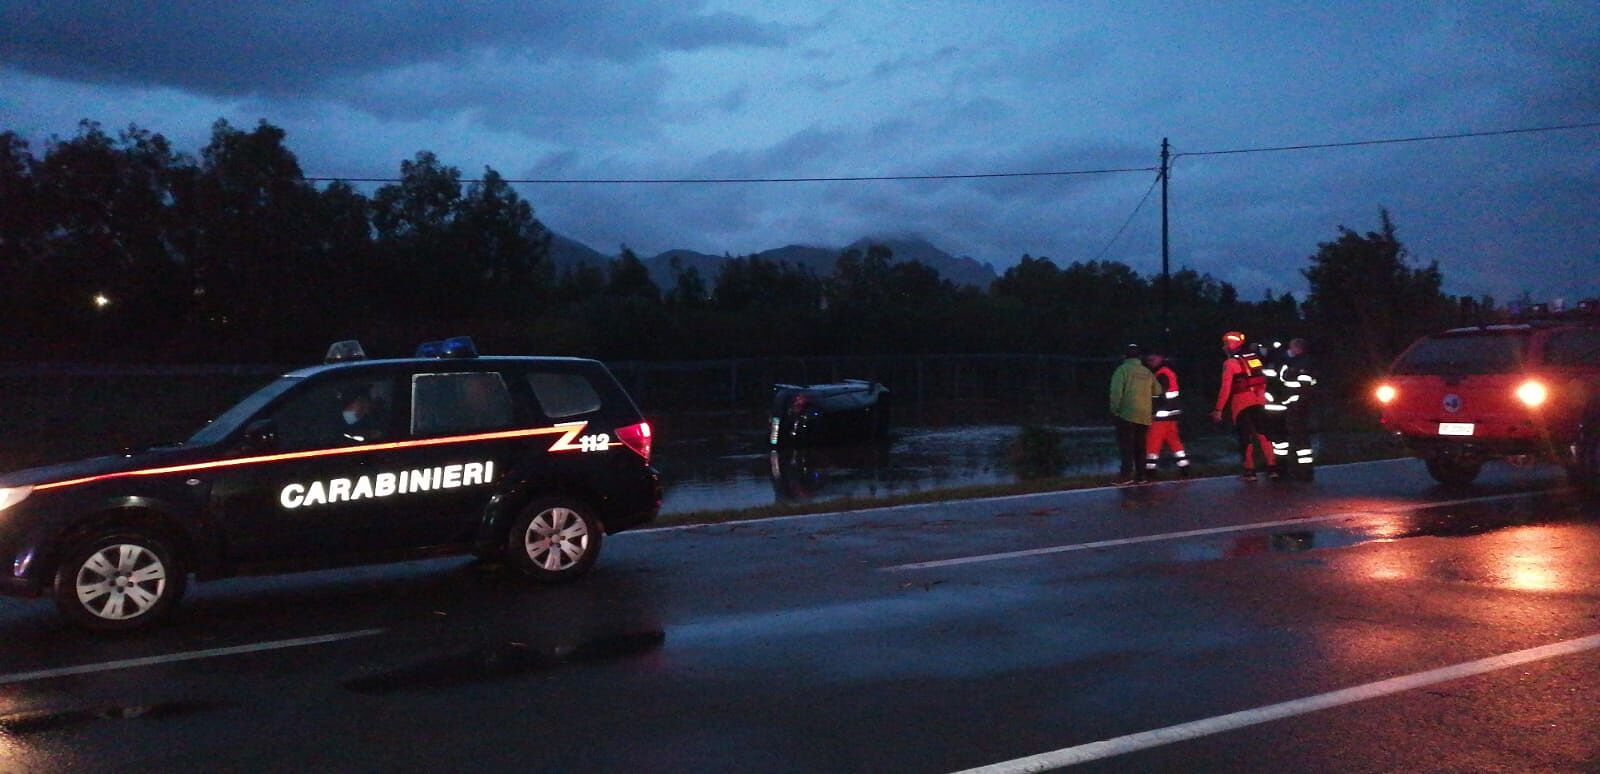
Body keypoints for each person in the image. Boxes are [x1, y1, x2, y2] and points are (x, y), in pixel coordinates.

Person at [1210, 331, 1277, 481]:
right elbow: (1262, 380)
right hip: (1259, 401)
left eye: (1226, 344)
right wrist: (1261, 398)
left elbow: (1225, 388)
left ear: (1231, 345)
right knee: (1264, 435)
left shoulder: (1230, 363)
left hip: (1240, 404)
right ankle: (1272, 468)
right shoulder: (1254, 359)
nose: (1224, 347)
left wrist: (1218, 409)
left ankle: (1250, 471)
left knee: (1245, 437)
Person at [1266, 337, 1317, 480]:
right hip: (1284, 406)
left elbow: (1302, 386)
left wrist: (1293, 400)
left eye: (1293, 348)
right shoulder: (1288, 362)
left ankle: (1301, 472)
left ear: (1297, 348)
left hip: (1294, 406)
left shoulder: (1301, 363)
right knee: (1288, 440)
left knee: (1297, 439)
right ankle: (1288, 470)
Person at [1109, 343, 1157, 486]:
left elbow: (1116, 393)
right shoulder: (1146, 372)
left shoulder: (1122, 370)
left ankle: (1125, 475)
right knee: (1140, 445)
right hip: (1144, 415)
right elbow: (1157, 391)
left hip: (1127, 414)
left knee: (1126, 446)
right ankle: (1141, 476)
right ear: (1139, 357)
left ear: (1125, 356)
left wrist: (1114, 410)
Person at [1143, 350, 1189, 478]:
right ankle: (1184, 467)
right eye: (1149, 360)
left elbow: (1159, 394)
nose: (1150, 362)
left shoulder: (1161, 374)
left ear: (1160, 358)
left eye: (1152, 359)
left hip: (1162, 414)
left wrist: (1151, 409)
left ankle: (1150, 471)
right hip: (1172, 412)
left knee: (1153, 441)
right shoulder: (1167, 372)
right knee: (1174, 440)